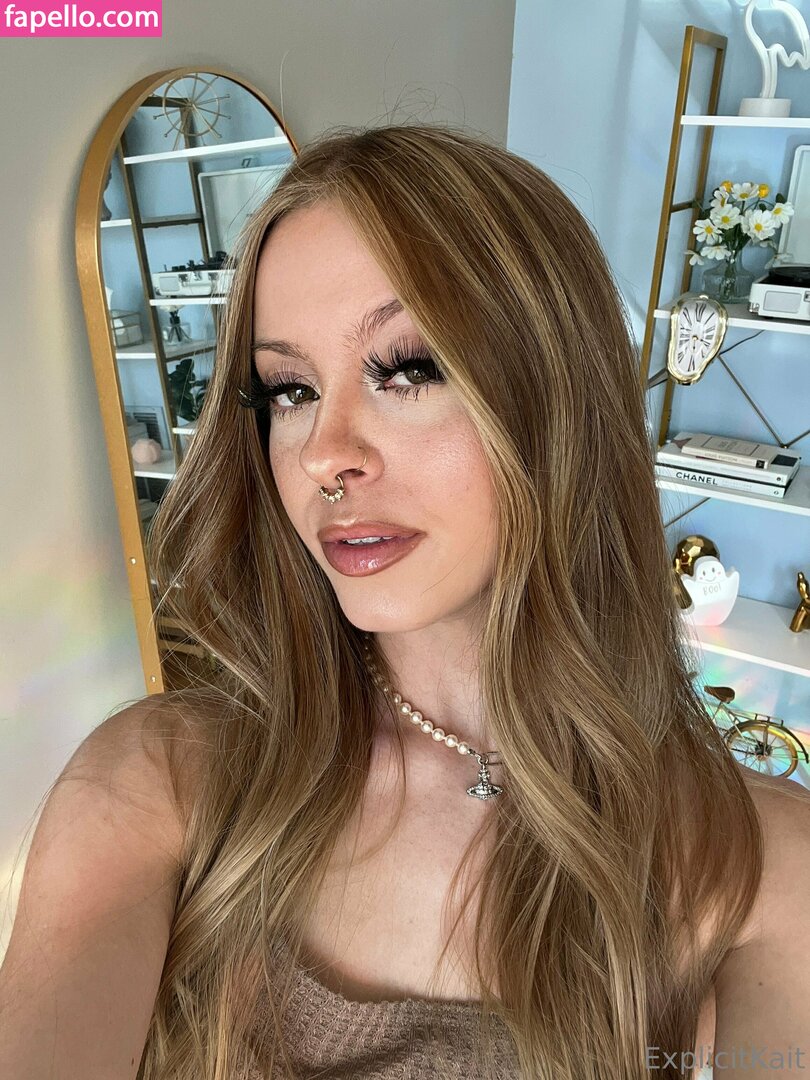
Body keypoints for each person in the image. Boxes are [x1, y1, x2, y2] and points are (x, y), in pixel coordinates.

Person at [2, 123, 810, 1080]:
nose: (323, 455)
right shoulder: (162, 782)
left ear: (559, 399)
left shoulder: (759, 862)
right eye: (289, 389)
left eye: (409, 369)